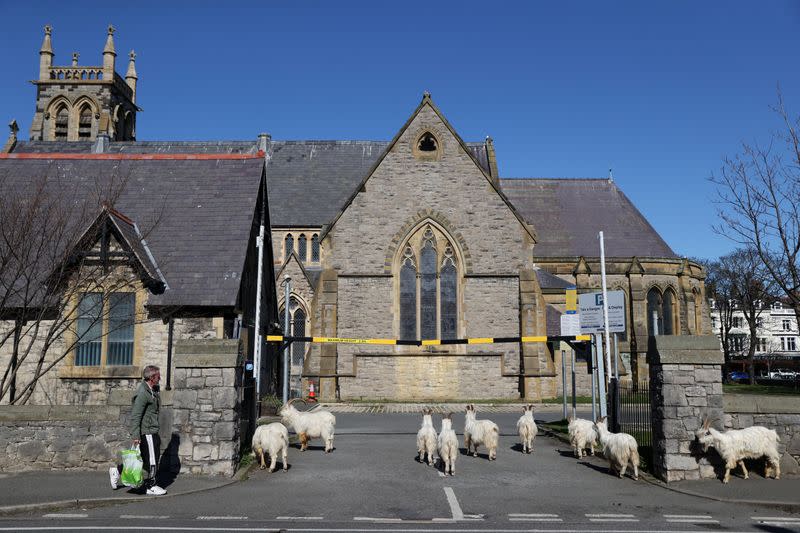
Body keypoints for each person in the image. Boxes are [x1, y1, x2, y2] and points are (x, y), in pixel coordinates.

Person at [109, 365, 167, 495]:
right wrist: (136, 435)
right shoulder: (142, 393)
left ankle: (117, 471)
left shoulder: (153, 390)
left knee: (139, 458)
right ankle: (152, 485)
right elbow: (136, 416)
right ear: (152, 378)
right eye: (158, 376)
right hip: (147, 432)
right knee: (152, 459)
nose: (160, 378)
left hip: (151, 430)